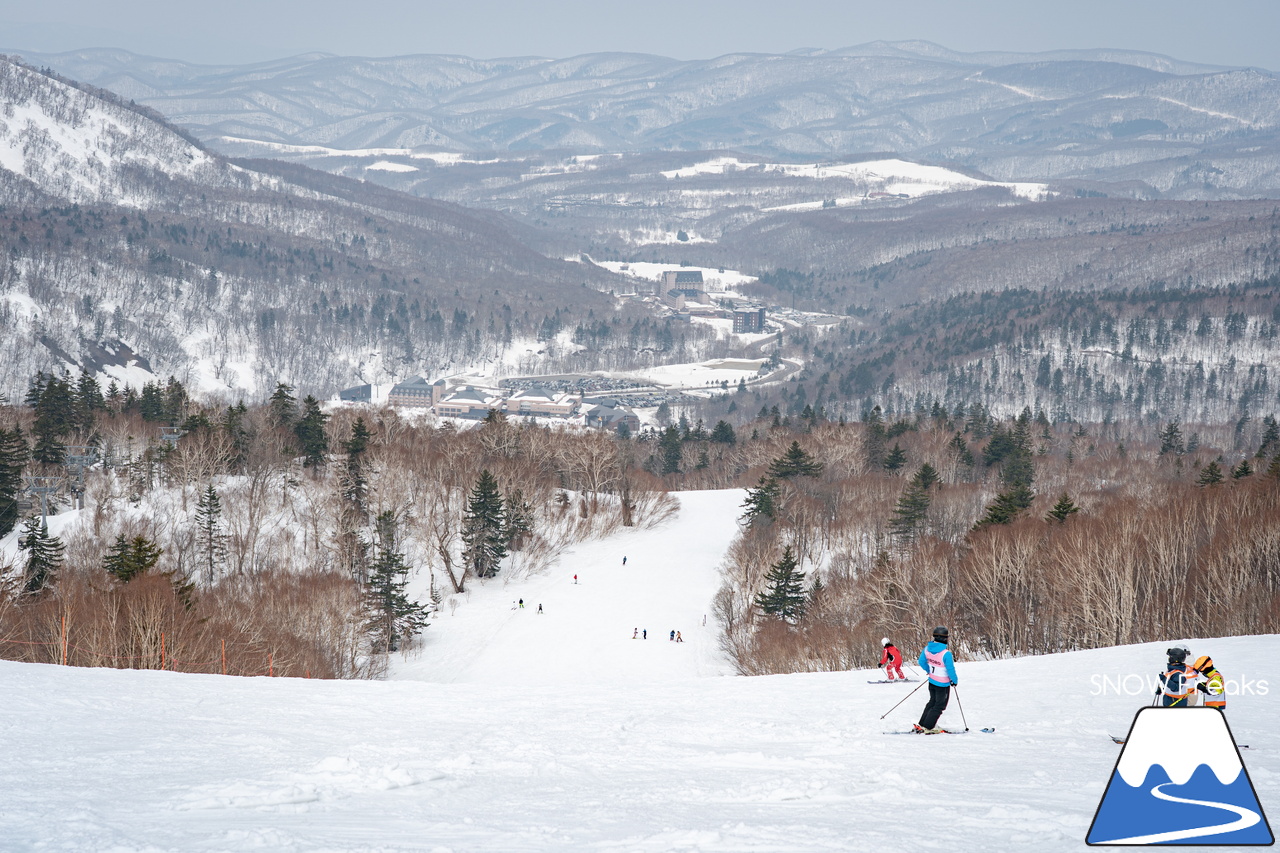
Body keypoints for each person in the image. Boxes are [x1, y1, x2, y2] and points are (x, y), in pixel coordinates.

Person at [914, 626, 957, 733]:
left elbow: (921, 661)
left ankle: (923, 723)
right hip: (942, 684)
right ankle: (929, 726)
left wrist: (929, 670)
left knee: (932, 702)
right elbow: (950, 669)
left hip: (932, 682)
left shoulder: (927, 649)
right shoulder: (946, 653)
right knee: (939, 705)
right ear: (944, 639)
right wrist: (954, 680)